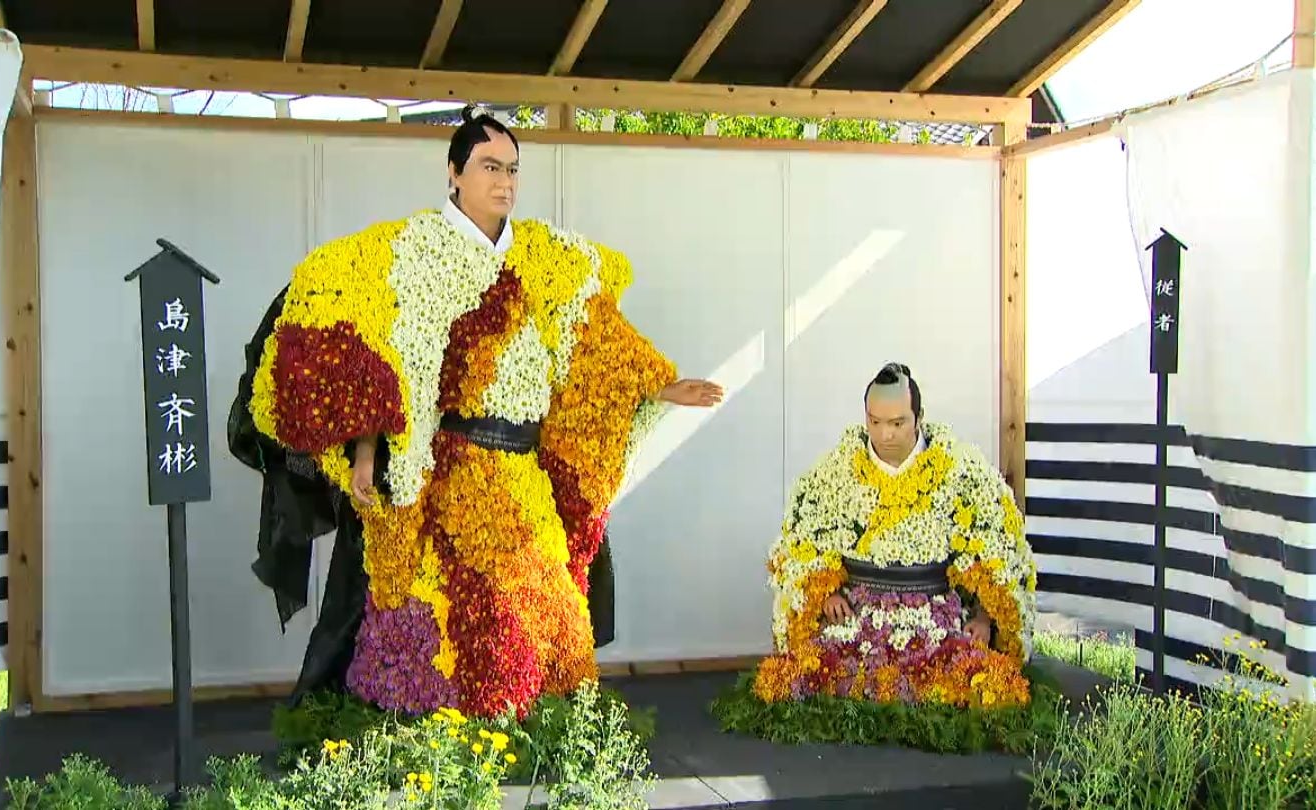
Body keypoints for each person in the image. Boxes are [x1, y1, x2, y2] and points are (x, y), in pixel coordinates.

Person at [229, 109, 723, 718]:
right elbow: (378, 353)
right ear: (454, 173)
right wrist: (364, 452)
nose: (505, 182)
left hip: (522, 471)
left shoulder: (547, 257)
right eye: (491, 167)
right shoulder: (412, 251)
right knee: (446, 616)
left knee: (553, 617)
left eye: (513, 170)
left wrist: (660, 385)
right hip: (444, 469)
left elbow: (595, 340)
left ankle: (529, 731)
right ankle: (434, 728)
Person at [751, 363, 1037, 708]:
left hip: (937, 615)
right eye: (875, 422)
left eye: (897, 423)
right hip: (855, 615)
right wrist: (824, 591)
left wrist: (983, 617)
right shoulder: (836, 470)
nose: (885, 435)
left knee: (975, 686)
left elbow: (998, 547)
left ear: (918, 417)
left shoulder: (960, 469)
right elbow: (801, 544)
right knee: (814, 680)